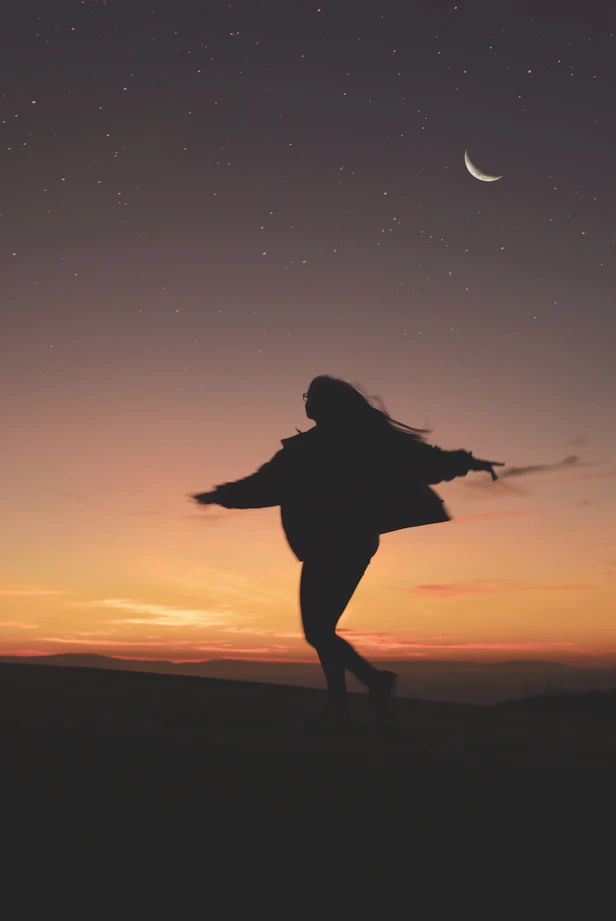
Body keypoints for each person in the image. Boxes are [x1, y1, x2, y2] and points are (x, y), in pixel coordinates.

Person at [190, 375, 504, 729]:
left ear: (326, 404)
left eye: (312, 396)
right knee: (322, 629)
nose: (306, 401)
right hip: (353, 541)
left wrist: (220, 495)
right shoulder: (362, 441)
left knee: (318, 630)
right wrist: (468, 462)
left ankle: (367, 687)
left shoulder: (312, 449)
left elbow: (264, 485)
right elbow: (425, 459)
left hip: (332, 542)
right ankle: (346, 701)